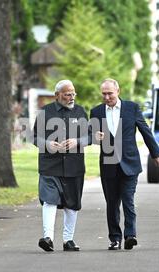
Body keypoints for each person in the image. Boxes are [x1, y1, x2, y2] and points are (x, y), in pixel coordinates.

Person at [90, 79, 159, 250]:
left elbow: (145, 131)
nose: (107, 97)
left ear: (118, 91)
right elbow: (90, 134)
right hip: (108, 164)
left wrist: (156, 153)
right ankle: (115, 238)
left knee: (128, 200)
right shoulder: (96, 112)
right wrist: (95, 136)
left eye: (110, 93)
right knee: (112, 203)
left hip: (129, 162)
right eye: (104, 94)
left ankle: (130, 235)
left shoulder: (132, 108)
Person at [33, 80, 90, 252]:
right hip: (50, 165)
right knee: (49, 200)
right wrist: (47, 144)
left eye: (73, 93)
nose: (71, 97)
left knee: (72, 203)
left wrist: (77, 142)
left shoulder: (80, 112)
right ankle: (48, 238)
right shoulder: (45, 112)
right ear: (57, 95)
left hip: (74, 166)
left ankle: (68, 240)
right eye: (67, 94)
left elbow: (90, 136)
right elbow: (34, 137)